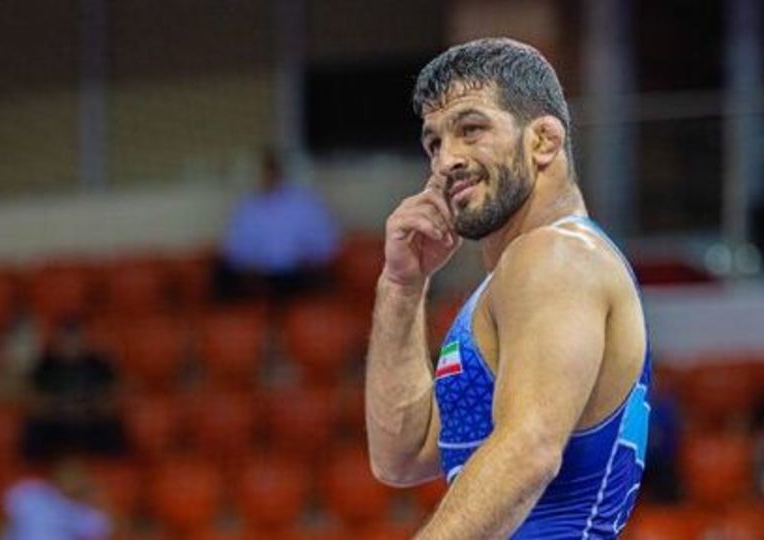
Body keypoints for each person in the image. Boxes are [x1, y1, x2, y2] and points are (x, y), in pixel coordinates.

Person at [365, 38, 651, 539]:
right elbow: (401, 457)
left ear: (543, 141)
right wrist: (402, 285)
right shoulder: (519, 275)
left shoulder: (555, 256)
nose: (445, 161)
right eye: (434, 143)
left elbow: (528, 449)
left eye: (470, 130)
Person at [216, 149, 340, 300]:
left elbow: (326, 244)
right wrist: (249, 267)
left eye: (273, 170)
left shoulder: (306, 202)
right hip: (259, 276)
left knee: (318, 279)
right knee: (221, 275)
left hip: (297, 274)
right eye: (265, 171)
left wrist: (309, 258)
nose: (269, 176)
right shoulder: (248, 206)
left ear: (282, 172)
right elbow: (234, 249)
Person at [21, 318, 125, 461]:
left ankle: (107, 466)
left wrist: (93, 406)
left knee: (110, 427)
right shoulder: (45, 365)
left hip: (90, 419)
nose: (71, 344)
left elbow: (113, 393)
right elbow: (32, 397)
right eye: (66, 339)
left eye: (75, 339)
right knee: (35, 428)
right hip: (56, 420)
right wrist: (55, 407)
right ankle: (40, 467)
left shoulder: (98, 364)